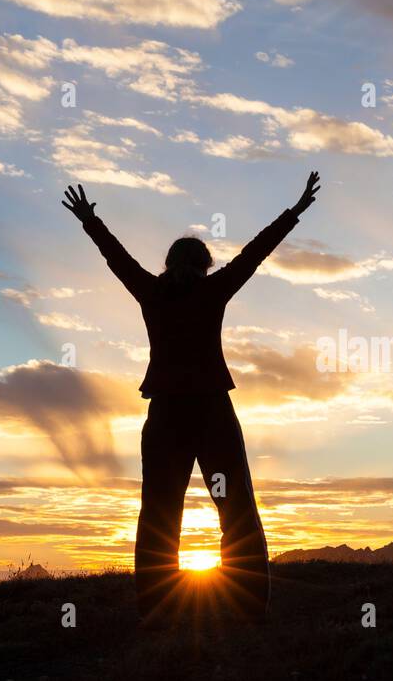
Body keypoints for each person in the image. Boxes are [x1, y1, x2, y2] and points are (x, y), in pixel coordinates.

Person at [61, 172, 321, 624]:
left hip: (165, 413)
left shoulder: (152, 291)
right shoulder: (211, 289)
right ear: (204, 265)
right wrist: (294, 211)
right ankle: (249, 607)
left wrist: (89, 220)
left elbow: (116, 259)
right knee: (236, 507)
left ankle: (155, 610)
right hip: (211, 412)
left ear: (168, 263)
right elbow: (255, 253)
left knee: (160, 513)